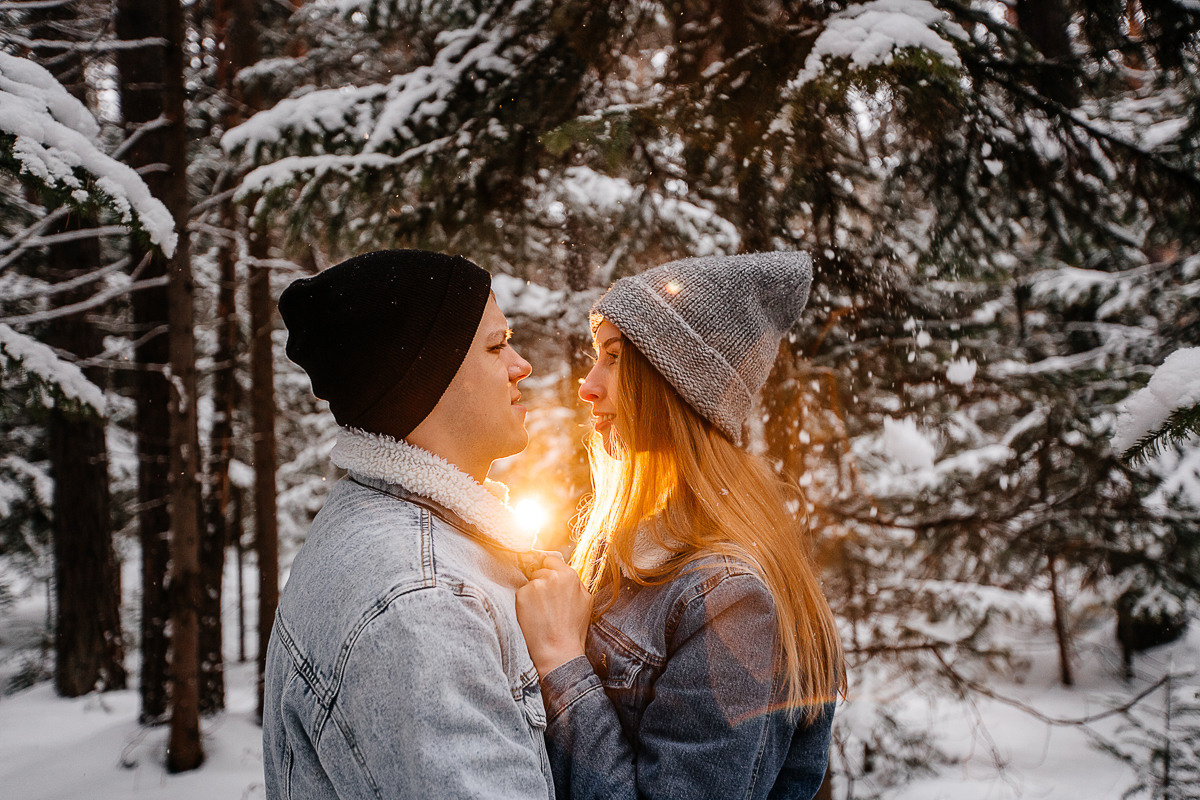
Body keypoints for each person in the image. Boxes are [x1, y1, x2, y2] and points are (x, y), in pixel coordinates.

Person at [516, 252, 845, 800]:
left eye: (614, 358)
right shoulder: (624, 547)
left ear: (675, 383)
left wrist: (561, 661)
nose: (588, 386)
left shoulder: (732, 602)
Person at [263, 249, 555, 800]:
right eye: (496, 346)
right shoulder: (423, 603)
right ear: (428, 380)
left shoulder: (389, 532)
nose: (522, 365)